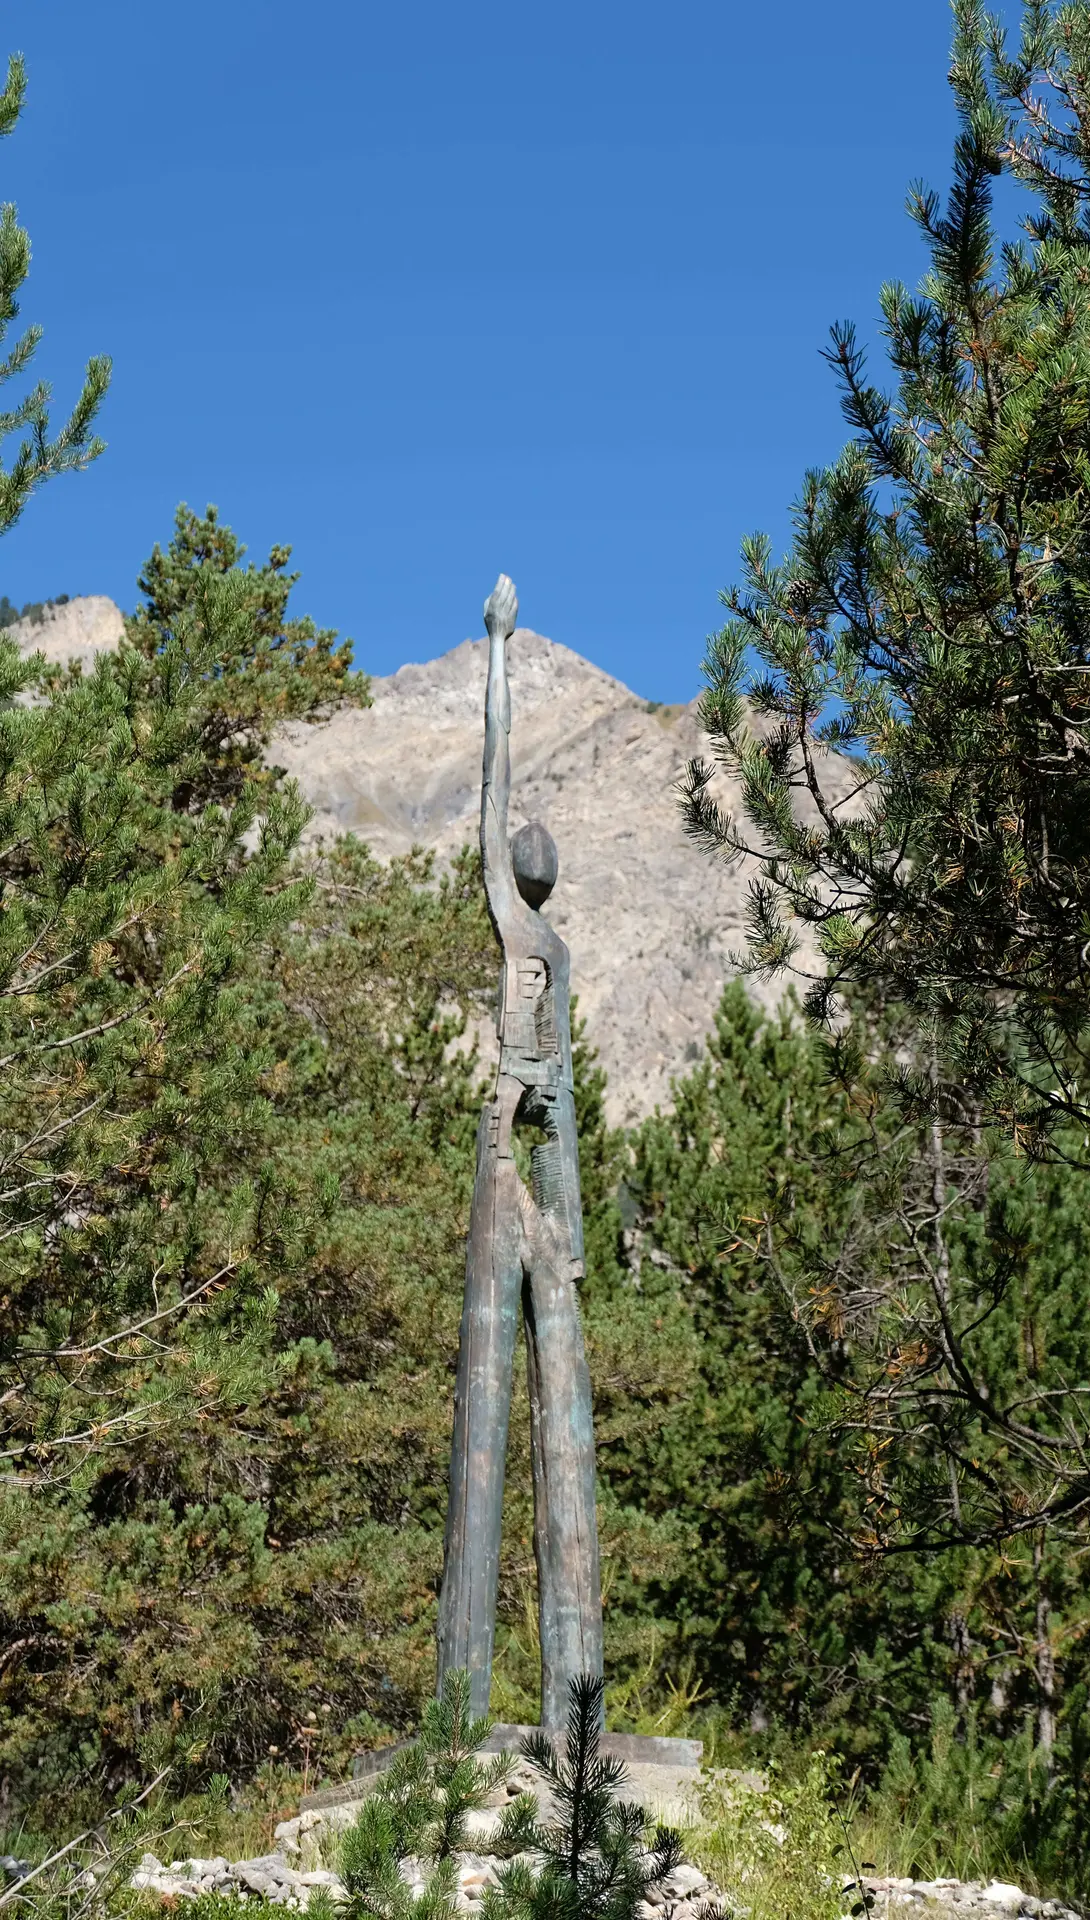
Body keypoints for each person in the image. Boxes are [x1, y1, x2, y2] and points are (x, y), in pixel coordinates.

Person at [436, 575, 604, 1728]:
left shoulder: (553, 952)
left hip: (538, 1182)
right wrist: (497, 647)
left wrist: (573, 1228)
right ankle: (458, 1715)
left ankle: (577, 1720)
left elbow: (570, 1098)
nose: (527, 853)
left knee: (565, 1440)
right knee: (485, 1434)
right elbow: (493, 795)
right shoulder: (513, 927)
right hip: (504, 1173)